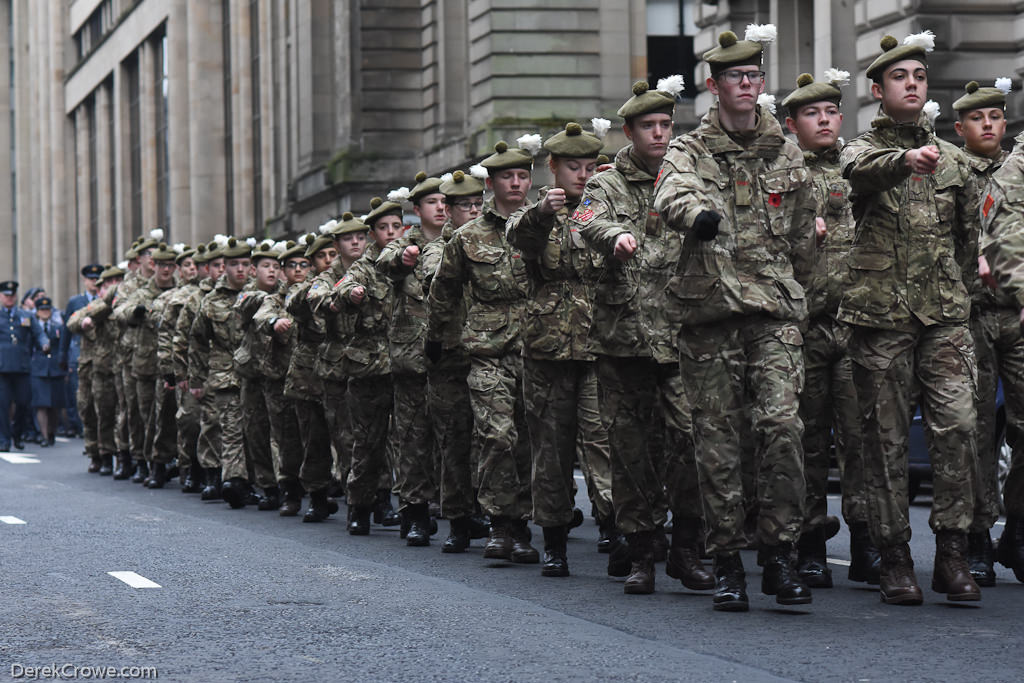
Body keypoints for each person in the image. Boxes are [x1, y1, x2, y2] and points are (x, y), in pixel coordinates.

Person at [653, 25, 817, 611]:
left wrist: (797, 290)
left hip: (772, 313)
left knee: (781, 428)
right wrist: (698, 214)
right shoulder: (690, 149)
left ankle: (779, 555)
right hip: (711, 312)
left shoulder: (785, 149)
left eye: (753, 78)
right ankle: (727, 561)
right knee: (718, 442)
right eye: (734, 78)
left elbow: (804, 236)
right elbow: (671, 193)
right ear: (714, 86)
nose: (745, 86)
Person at [839, 32, 982, 604]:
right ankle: (895, 556)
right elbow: (864, 173)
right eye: (901, 77)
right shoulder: (860, 151)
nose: (914, 84)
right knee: (885, 441)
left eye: (920, 77)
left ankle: (953, 553)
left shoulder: (953, 161)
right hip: (881, 321)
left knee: (961, 429)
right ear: (877, 90)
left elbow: (972, 240)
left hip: (944, 317)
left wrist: (962, 293)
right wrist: (904, 160)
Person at [577, 76, 714, 594]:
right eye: (648, 126)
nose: (659, 134)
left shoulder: (690, 176)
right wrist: (615, 235)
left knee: (691, 440)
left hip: (683, 334)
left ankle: (687, 546)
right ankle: (640, 550)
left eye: (665, 125)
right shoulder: (606, 183)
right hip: (624, 337)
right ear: (629, 131)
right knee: (630, 449)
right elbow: (585, 221)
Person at [780, 70, 877, 588]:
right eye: (811, 113)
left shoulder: (860, 166)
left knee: (863, 440)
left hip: (858, 323)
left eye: (830, 112)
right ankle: (811, 543)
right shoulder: (784, 172)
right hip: (806, 327)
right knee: (808, 440)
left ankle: (867, 544)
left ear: (841, 117)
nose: (823, 120)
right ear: (792, 124)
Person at [427, 138, 539, 564]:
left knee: (530, 442)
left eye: (523, 175)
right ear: (490, 183)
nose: (516, 183)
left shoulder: (546, 225)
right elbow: (445, 292)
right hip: (487, 351)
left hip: (537, 349)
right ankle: (499, 523)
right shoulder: (468, 236)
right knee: (496, 436)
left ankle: (524, 524)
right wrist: (437, 341)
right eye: (507, 176)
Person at [506, 121, 611, 578]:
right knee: (550, 448)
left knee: (603, 440)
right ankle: (553, 539)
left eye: (589, 167)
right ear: (553, 168)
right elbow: (519, 237)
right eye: (573, 167)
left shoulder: (602, 210)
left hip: (600, 344)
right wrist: (543, 214)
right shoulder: (533, 215)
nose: (582, 175)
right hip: (547, 348)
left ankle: (615, 527)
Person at [951, 78, 1013, 587]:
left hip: (1018, 310)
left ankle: (1017, 527)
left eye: (995, 116)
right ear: (960, 128)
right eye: (978, 118)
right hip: (971, 311)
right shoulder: (951, 171)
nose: (988, 124)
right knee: (975, 430)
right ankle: (976, 536)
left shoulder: (1019, 171)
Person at [377, 174, 447, 546]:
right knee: (414, 438)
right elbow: (386, 263)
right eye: (431, 202)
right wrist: (404, 258)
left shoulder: (461, 240)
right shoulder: (404, 245)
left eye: (443, 201)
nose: (440, 207)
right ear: (417, 210)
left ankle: (461, 509)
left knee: (454, 436)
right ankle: (415, 511)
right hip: (412, 358)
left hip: (453, 355)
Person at [423, 169, 487, 552]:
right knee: (454, 440)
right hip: (448, 357)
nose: (474, 212)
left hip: (486, 351)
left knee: (491, 437)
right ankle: (459, 519)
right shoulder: (438, 248)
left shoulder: (493, 240)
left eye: (479, 204)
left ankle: (491, 512)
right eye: (466, 206)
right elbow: (437, 286)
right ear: (448, 210)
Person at [335, 197, 403, 536]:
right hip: (369, 369)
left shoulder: (412, 259)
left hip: (408, 364)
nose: (390, 233)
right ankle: (359, 506)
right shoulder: (364, 266)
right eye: (383, 228)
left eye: (395, 227)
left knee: (409, 441)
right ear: (373, 234)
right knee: (368, 443)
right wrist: (353, 294)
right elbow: (341, 289)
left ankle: (403, 505)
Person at [188, 237, 254, 508]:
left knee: (258, 430)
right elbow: (198, 341)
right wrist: (196, 379)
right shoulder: (211, 301)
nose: (240, 269)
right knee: (228, 428)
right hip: (225, 374)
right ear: (224, 267)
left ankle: (267, 483)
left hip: (258, 373)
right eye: (234, 264)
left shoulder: (262, 293)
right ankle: (232, 481)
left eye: (245, 264)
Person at [253, 239, 311, 516]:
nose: (298, 270)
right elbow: (261, 316)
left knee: (315, 437)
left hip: (313, 378)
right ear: (283, 270)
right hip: (281, 379)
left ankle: (319, 490)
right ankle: (290, 491)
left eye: (303, 264)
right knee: (286, 438)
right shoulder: (274, 299)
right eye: (291, 265)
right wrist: (275, 322)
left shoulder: (318, 291)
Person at [234, 240, 285, 509]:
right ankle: (266, 485)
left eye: (276, 266)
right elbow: (245, 306)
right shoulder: (247, 294)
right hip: (253, 373)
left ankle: (285, 483)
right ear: (254, 270)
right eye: (266, 266)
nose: (272, 272)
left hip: (278, 373)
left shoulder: (286, 293)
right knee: (255, 431)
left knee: (281, 432)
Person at [66, 265, 125, 474]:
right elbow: (73, 322)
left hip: (120, 365)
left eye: (117, 281)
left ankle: (119, 455)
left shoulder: (121, 305)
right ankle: (98, 453)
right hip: (95, 367)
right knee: (92, 411)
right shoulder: (95, 307)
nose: (112, 287)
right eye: (108, 283)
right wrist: (85, 323)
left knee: (120, 413)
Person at [0, 281, 46, 453]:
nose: (9, 298)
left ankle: (17, 434)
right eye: (6, 295)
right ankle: (3, 439)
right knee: (3, 406)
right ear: (0, 297)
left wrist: (44, 343)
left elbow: (38, 333)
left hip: (22, 367)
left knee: (23, 403)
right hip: (2, 368)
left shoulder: (25, 316)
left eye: (12, 295)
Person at [63, 264, 103, 439]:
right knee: (82, 395)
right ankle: (83, 430)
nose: (94, 283)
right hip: (81, 353)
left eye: (97, 279)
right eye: (91, 279)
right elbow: (67, 331)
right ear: (85, 281)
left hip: (103, 354)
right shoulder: (75, 302)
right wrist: (62, 356)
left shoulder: (106, 300)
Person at [30, 297, 65, 447]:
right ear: (37, 312)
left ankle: (52, 432)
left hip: (56, 369)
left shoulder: (58, 326)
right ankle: (43, 435)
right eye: (42, 310)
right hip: (39, 369)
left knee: (55, 405)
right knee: (41, 404)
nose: (45, 312)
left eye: (47, 309)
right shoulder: (33, 327)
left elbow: (63, 347)